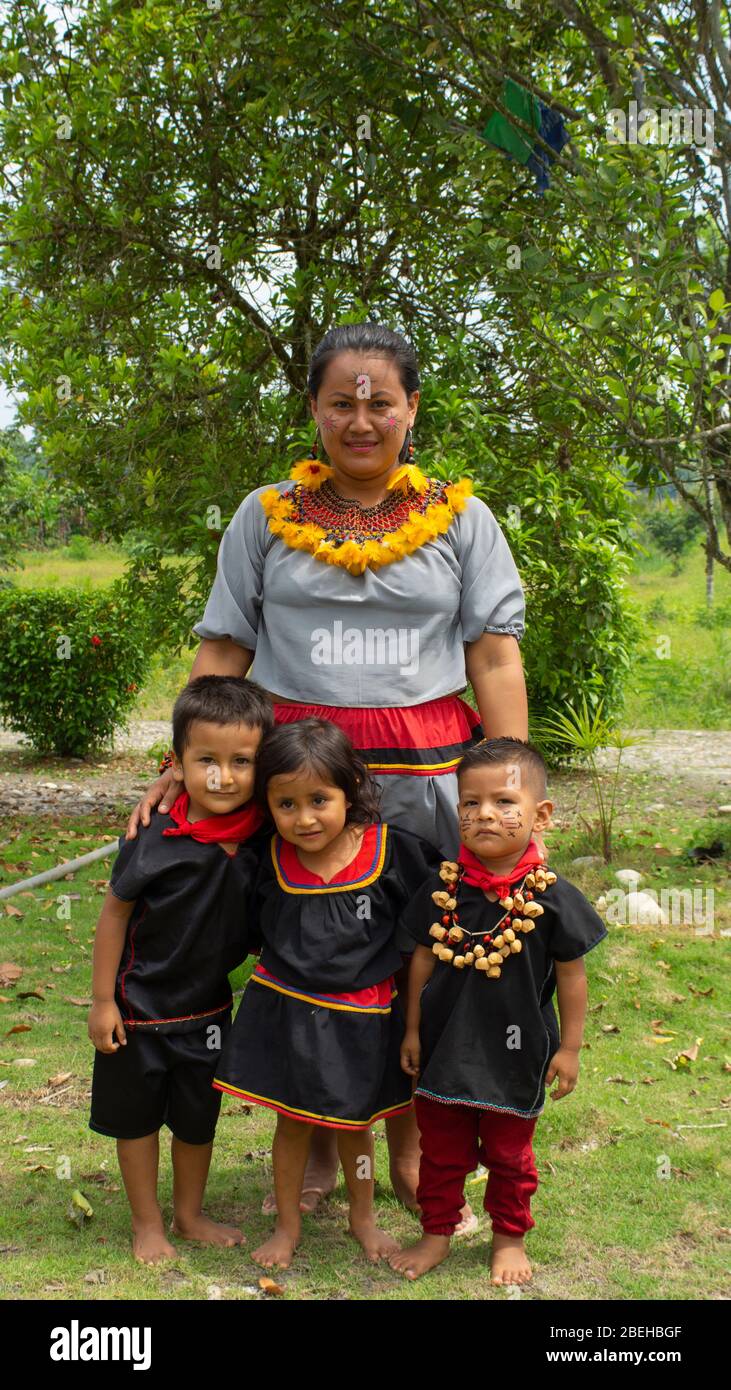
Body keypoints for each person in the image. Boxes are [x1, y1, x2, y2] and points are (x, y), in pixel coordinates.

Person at [125, 320, 540, 1219]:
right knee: (303, 953)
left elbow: (494, 659)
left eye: (380, 401)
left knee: (419, 953)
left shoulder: (463, 519)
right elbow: (225, 644)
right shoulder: (263, 514)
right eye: (341, 401)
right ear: (313, 409)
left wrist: (510, 784)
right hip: (294, 784)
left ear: (410, 410)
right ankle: (314, 1139)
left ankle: (410, 1146)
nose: (361, 419)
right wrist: (178, 760)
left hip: (424, 782)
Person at [213, 718, 443, 1268]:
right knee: (290, 1122)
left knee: (355, 1130)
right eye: (286, 804)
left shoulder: (394, 854)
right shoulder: (264, 860)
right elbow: (246, 930)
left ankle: (362, 1219)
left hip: (362, 1019)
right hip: (287, 1014)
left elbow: (430, 929)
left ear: (352, 789)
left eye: (320, 799)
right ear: (267, 804)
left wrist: (418, 1020)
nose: (304, 817)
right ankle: (286, 1226)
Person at [389, 737, 607, 1285]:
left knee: (510, 1157)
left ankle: (508, 1238)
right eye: (470, 802)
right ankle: (436, 1234)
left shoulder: (553, 899)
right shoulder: (443, 891)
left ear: (541, 815)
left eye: (505, 802)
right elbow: (420, 961)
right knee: (440, 1153)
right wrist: (412, 1029)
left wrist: (571, 1047)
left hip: (516, 1053)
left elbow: (572, 977)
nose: (485, 814)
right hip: (444, 1049)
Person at [87, 675, 273, 1264]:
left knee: (197, 1119)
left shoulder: (264, 836)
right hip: (138, 1008)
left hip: (210, 1011)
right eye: (206, 761)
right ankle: (147, 1223)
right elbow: (114, 914)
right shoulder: (154, 834)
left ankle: (190, 1215)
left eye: (241, 761)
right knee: (136, 1120)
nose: (223, 776)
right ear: (177, 763)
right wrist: (102, 1002)